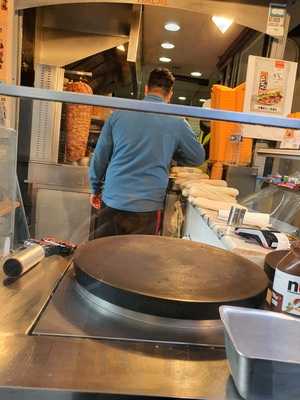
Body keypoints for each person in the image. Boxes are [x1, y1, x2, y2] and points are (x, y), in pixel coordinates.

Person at [89, 68, 205, 237]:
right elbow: (197, 157)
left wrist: (95, 188)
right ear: (170, 93)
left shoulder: (119, 114)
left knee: (103, 256)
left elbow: (100, 156)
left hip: (113, 198)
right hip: (147, 206)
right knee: (138, 260)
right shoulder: (177, 121)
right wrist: (172, 153)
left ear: (146, 89)